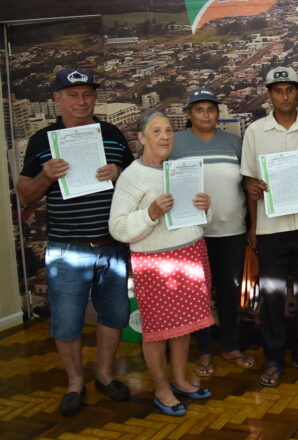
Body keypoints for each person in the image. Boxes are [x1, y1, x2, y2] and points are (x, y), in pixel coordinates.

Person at [16, 69, 134, 416]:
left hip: (111, 245)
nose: (81, 101)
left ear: (94, 98)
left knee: (113, 316)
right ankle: (74, 384)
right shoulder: (43, 140)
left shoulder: (112, 134)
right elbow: (25, 196)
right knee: (66, 321)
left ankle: (105, 374)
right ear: (57, 99)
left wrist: (120, 173)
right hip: (67, 249)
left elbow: (137, 182)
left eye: (87, 94)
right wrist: (45, 176)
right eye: (73, 94)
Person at [109, 110, 214, 417]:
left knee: (183, 327)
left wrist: (205, 207)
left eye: (168, 130)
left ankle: (180, 379)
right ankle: (161, 388)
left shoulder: (178, 170)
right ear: (141, 138)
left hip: (191, 252)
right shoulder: (131, 176)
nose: (165, 136)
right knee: (157, 330)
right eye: (156, 131)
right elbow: (117, 226)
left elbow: (197, 219)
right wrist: (150, 213)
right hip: (155, 262)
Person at [241, 67, 298, 386]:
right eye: (278, 90)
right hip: (270, 226)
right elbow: (249, 180)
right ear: (269, 94)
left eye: (290, 89)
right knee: (272, 296)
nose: (284, 96)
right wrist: (252, 224)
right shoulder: (255, 132)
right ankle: (274, 359)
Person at [170, 88, 255, 377]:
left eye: (211, 109)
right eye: (199, 109)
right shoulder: (175, 143)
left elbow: (247, 184)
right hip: (191, 233)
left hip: (231, 231)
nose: (206, 115)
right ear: (189, 114)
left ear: (218, 113)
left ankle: (231, 346)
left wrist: (252, 226)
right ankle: (204, 350)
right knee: (197, 294)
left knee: (229, 292)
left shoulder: (233, 142)